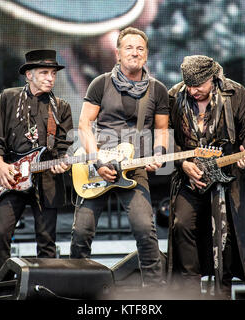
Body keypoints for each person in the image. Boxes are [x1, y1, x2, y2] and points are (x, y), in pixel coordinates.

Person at [70, 27, 169, 287]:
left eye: (140, 49)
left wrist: (158, 154)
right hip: (96, 165)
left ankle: (155, 293)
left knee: (146, 231)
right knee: (81, 233)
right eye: (129, 48)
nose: (134, 53)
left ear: (146, 55)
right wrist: (97, 162)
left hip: (133, 167)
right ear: (117, 53)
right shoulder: (100, 83)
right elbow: (84, 125)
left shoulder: (157, 90)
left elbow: (160, 130)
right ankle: (76, 288)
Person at [167, 55, 245, 299]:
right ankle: (190, 292)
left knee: (226, 238)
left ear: (212, 78)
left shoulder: (235, 93)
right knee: (181, 225)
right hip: (189, 177)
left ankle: (222, 293)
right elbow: (164, 138)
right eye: (188, 85)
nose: (193, 91)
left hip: (226, 177)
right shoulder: (175, 96)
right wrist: (183, 163)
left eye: (198, 85)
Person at [0, 50, 73, 276]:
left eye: (53, 73)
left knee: (47, 241)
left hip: (46, 177)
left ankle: (45, 287)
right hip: (11, 176)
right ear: (29, 74)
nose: (50, 78)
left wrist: (62, 162)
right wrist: (0, 163)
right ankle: (0, 287)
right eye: (44, 72)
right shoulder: (8, 97)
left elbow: (63, 147)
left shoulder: (61, 106)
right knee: (2, 234)